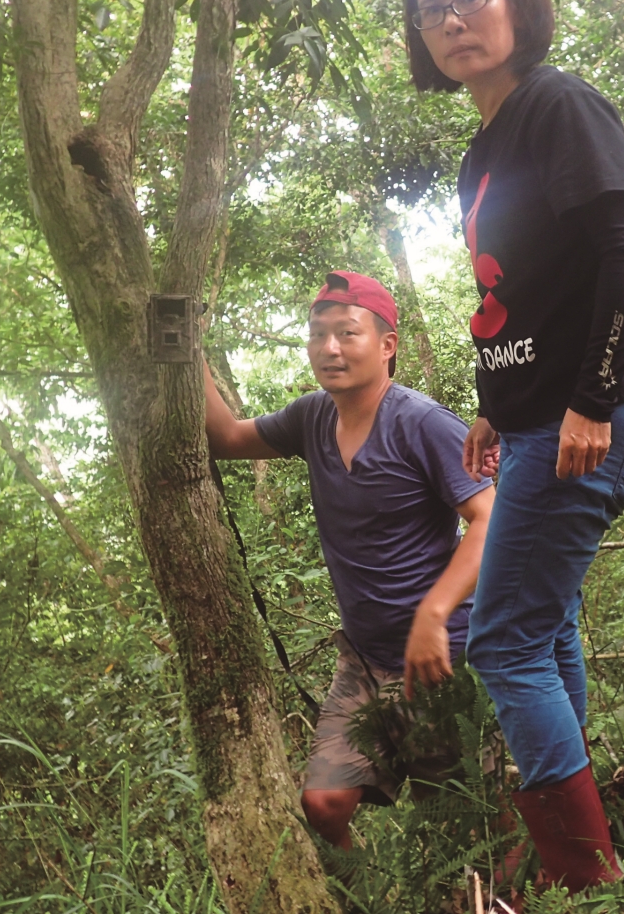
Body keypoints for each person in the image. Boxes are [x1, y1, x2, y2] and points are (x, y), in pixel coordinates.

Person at [404, 0, 624, 888]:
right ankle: (586, 835)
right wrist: (492, 396)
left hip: (586, 423)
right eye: (435, 7)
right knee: (544, 626)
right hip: (526, 421)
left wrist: (591, 399)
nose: (455, 19)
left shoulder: (559, 105)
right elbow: (511, 293)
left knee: (505, 639)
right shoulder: (483, 148)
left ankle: (587, 873)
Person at [203, 270, 495, 850]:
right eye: (317, 334)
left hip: (441, 659)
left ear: (387, 346)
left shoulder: (421, 423)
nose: (329, 348)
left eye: (347, 333)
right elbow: (228, 439)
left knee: (464, 826)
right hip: (362, 660)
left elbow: (493, 519)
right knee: (324, 803)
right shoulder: (312, 418)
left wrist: (433, 615)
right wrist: (185, 351)